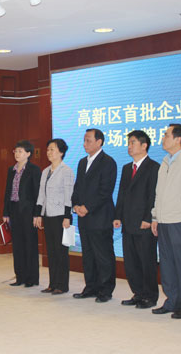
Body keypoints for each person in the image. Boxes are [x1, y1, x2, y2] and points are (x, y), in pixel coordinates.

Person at [151, 124, 181, 319]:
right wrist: (155, 216)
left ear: (178, 139)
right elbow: (158, 193)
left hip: (180, 221)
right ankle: (172, 301)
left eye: (166, 135)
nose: (163, 138)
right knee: (167, 264)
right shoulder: (165, 161)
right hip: (163, 220)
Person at [113, 130, 160, 309]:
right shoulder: (127, 168)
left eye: (133, 142)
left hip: (144, 222)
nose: (129, 146)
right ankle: (138, 293)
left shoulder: (153, 167)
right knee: (131, 261)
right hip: (128, 221)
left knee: (146, 261)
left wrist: (149, 218)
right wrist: (117, 216)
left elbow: (153, 195)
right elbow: (122, 194)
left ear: (144, 145)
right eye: (129, 143)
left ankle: (150, 296)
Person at [71, 129, 117, 303]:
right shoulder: (82, 162)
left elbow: (105, 191)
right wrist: (76, 205)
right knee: (88, 255)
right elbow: (77, 187)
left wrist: (87, 207)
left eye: (88, 140)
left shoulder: (108, 162)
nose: (85, 144)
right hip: (84, 217)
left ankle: (105, 290)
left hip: (100, 217)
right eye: (84, 140)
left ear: (99, 142)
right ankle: (90, 287)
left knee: (103, 255)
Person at [34, 139, 75, 295]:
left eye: (52, 149)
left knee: (61, 251)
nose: (49, 152)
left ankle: (62, 285)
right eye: (48, 149)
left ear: (61, 152)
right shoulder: (45, 171)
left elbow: (69, 195)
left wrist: (67, 216)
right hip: (48, 214)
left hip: (61, 216)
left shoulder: (66, 171)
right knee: (51, 250)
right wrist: (38, 214)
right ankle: (52, 283)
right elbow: (41, 194)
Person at [3, 140, 42, 287]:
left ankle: (32, 278)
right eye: (16, 151)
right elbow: (7, 192)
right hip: (14, 210)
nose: (17, 154)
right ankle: (20, 277)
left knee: (30, 244)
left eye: (20, 151)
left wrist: (37, 214)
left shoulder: (34, 170)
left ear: (28, 153)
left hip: (28, 211)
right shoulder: (11, 170)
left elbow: (38, 193)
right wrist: (5, 212)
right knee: (17, 245)